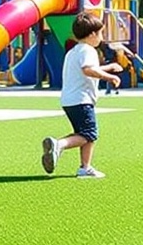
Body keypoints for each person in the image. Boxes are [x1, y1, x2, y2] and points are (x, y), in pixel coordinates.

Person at [42, 9, 119, 178]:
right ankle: (59, 144)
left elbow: (87, 69)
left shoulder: (74, 51)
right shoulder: (88, 50)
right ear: (92, 34)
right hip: (82, 100)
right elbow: (88, 70)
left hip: (70, 100)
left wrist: (108, 67)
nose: (101, 37)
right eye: (100, 33)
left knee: (85, 134)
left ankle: (85, 167)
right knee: (89, 134)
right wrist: (110, 77)